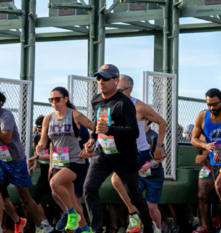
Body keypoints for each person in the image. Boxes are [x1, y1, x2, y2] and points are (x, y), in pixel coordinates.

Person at [82, 64, 153, 233]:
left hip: (124, 156)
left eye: (105, 78)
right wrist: (92, 139)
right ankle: (97, 230)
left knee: (134, 195)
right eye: (99, 78)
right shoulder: (96, 100)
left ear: (115, 81)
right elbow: (98, 124)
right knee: (89, 188)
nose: (101, 82)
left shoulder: (125, 103)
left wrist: (110, 130)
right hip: (104, 153)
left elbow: (134, 132)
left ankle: (149, 227)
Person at [110, 75, 168, 233]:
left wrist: (158, 147)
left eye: (119, 90)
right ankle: (141, 220)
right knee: (123, 186)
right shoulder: (111, 104)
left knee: (118, 181)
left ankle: (154, 226)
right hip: (124, 154)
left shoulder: (140, 107)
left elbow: (162, 122)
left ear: (129, 90)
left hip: (142, 159)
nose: (115, 93)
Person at [37, 87, 94, 233]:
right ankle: (86, 229)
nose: (54, 102)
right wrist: (40, 146)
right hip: (58, 162)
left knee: (54, 183)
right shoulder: (48, 119)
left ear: (65, 99)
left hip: (75, 161)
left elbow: (95, 128)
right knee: (73, 201)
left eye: (57, 99)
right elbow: (44, 141)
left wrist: (88, 147)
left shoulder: (75, 115)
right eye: (51, 100)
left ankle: (70, 214)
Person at [0, 90, 45, 233]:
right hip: (1, 161)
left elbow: (6, 139)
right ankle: (10, 224)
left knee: (24, 197)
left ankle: (39, 226)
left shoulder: (6, 115)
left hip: (15, 161)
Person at [190, 88, 221, 233]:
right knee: (202, 194)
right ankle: (205, 226)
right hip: (211, 163)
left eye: (215, 104)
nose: (211, 108)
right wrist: (205, 146)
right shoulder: (203, 116)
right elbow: (194, 138)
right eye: (209, 104)